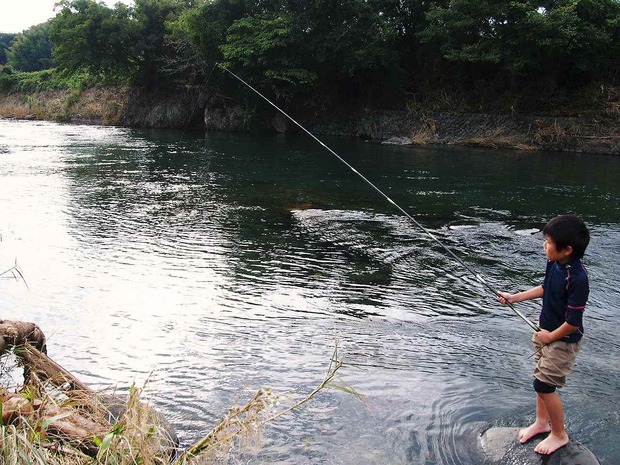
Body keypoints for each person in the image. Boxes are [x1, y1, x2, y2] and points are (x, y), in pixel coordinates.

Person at [498, 214, 590, 455]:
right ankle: (541, 422)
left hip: (562, 340)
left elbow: (573, 322)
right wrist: (515, 297)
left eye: (548, 242)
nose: (544, 245)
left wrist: (550, 337)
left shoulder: (578, 278)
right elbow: (545, 287)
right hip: (544, 331)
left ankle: (559, 434)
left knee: (544, 385)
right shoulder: (555, 263)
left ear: (567, 249)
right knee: (540, 380)